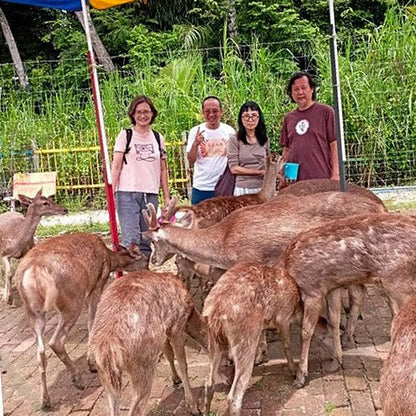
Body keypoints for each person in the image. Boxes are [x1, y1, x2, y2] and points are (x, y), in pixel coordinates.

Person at [111, 95, 170, 259]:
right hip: (127, 193)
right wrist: (110, 192)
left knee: (146, 238)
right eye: (139, 112)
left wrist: (166, 196)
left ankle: (143, 273)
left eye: (146, 112)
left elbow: (163, 170)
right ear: (133, 114)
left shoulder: (158, 138)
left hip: (150, 194)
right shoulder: (125, 135)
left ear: (152, 114)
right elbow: (116, 166)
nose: (143, 115)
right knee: (131, 239)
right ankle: (132, 278)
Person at [280, 71, 339, 186]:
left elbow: (334, 143)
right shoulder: (289, 118)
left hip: (321, 177)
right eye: (296, 89)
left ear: (312, 89)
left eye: (303, 88)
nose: (300, 92)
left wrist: (336, 173)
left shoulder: (326, 112)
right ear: (291, 94)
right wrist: (282, 174)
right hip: (295, 181)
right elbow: (286, 150)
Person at [186, 96, 235, 204]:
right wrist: (195, 143)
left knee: (226, 219)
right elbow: (190, 160)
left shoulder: (229, 131)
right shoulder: (195, 131)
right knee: (198, 219)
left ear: (221, 112)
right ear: (202, 112)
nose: (211, 115)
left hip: (224, 186)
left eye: (215, 111)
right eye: (207, 111)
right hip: (202, 187)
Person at [227, 101, 270, 196]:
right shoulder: (234, 139)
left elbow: (267, 162)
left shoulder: (265, 139)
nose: (250, 120)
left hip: (262, 188)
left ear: (259, 118)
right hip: (243, 189)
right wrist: (259, 172)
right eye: (246, 116)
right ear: (241, 119)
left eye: (254, 115)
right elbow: (234, 168)